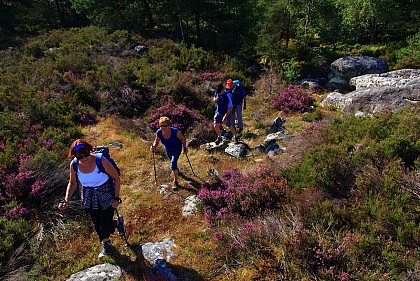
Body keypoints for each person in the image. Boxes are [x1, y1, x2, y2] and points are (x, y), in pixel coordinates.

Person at [58, 139, 126, 259]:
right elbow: (72, 183)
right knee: (96, 223)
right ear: (74, 155)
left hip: (106, 194)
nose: (84, 158)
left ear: (90, 150)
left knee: (105, 225)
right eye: (79, 156)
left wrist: (116, 198)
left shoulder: (100, 160)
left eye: (86, 153)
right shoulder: (74, 165)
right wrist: (66, 200)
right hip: (89, 196)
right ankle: (106, 244)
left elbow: (116, 178)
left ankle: (117, 222)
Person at [151, 116, 188, 189]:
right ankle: (176, 171)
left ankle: (175, 182)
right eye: (161, 126)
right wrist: (154, 146)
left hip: (177, 148)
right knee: (173, 162)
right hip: (168, 149)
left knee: (173, 163)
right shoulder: (159, 132)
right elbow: (156, 141)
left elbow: (183, 139)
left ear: (169, 125)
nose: (163, 127)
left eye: (165, 125)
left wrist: (184, 147)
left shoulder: (175, 131)